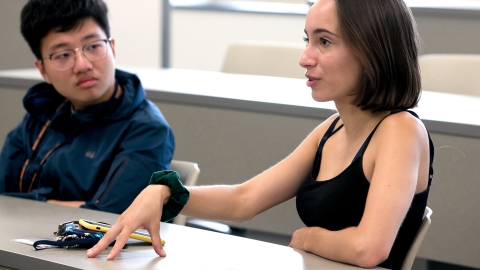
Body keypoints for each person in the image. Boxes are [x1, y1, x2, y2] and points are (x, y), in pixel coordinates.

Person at [87, 0, 434, 268]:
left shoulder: (399, 131)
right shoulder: (332, 129)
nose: (305, 58)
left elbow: (368, 248)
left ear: (372, 50)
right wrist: (166, 193)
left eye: (324, 42)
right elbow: (244, 200)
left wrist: (307, 237)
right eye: (308, 40)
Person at [0, 0, 175, 214]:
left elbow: (108, 218)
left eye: (93, 47)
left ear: (112, 47)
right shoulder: (42, 114)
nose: (83, 65)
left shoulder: (147, 130)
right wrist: (60, 203)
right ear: (43, 70)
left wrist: (31, 202)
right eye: (63, 55)